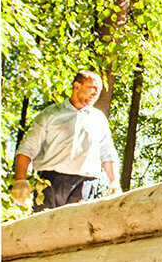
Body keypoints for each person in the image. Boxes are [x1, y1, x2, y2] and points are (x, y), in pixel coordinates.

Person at [11, 70, 121, 212]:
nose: (95, 93)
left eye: (98, 89)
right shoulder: (51, 114)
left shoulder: (99, 120)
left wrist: (114, 182)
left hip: (85, 183)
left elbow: (108, 153)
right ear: (76, 86)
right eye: (92, 87)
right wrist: (20, 180)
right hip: (49, 182)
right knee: (44, 229)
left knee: (77, 230)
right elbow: (27, 148)